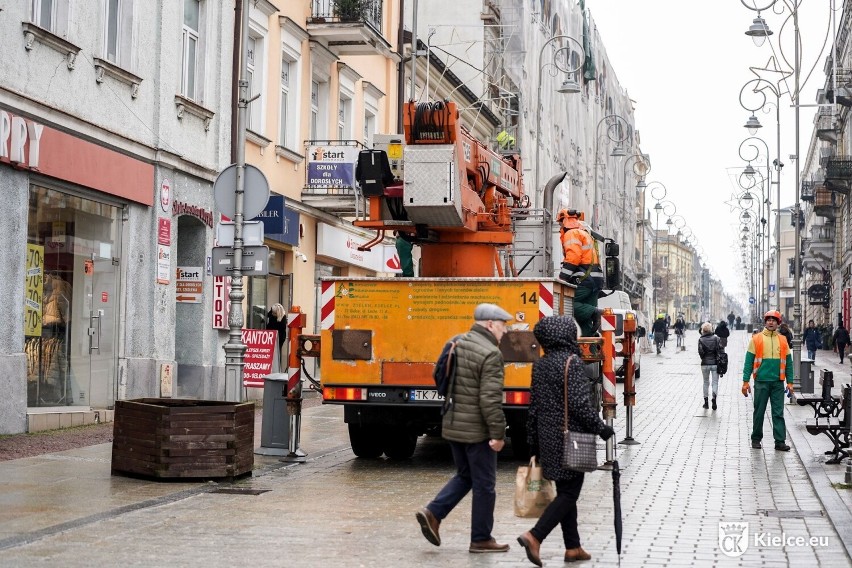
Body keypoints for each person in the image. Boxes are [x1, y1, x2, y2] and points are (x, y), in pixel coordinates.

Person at [516, 316, 614, 566]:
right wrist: (601, 428)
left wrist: (533, 442)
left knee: (565, 491)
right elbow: (581, 405)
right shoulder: (572, 363)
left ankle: (573, 547)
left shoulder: (541, 364)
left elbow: (534, 407)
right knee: (570, 494)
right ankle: (534, 536)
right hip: (571, 439)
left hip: (548, 440)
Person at [416, 303, 511, 554]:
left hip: (453, 423)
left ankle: (433, 513)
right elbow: (490, 400)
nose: (504, 333)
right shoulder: (490, 353)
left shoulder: (456, 342)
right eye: (502, 327)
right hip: (477, 431)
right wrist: (497, 434)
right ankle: (481, 538)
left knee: (465, 476)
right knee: (485, 485)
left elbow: (440, 377)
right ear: (490, 325)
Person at [741, 310, 794, 451]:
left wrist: (790, 383)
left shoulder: (783, 340)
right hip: (761, 382)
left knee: (778, 413)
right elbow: (748, 362)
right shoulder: (756, 339)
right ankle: (756, 439)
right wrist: (745, 382)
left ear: (778, 323)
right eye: (769, 320)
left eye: (774, 320)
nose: (771, 322)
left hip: (778, 383)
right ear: (765, 322)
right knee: (759, 411)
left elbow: (788, 362)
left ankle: (780, 441)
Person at [556, 209, 604, 337]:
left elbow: (573, 258)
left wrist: (562, 278)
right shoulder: (585, 233)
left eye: (560, 223)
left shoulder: (571, 233)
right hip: (595, 279)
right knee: (585, 319)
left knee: (566, 305)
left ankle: (595, 312)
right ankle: (590, 351)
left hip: (584, 279)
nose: (560, 226)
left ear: (564, 220)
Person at [698, 322, 722, 410]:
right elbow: (720, 350)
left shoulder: (701, 340)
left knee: (705, 382)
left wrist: (704, 358)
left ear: (703, 330)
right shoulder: (716, 338)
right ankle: (714, 398)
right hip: (715, 363)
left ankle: (706, 402)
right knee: (715, 382)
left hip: (704, 364)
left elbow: (700, 352)